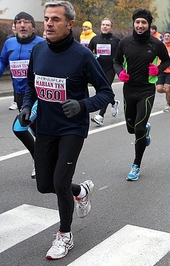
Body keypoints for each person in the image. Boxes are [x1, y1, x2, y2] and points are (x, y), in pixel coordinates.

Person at [18, 1, 114, 260]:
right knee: (44, 185)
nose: (48, 23)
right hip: (45, 127)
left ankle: (65, 235)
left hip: (72, 128)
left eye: (55, 19)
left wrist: (83, 104)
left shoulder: (82, 56)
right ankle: (80, 191)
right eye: (46, 18)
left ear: (69, 24)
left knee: (59, 182)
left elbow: (107, 92)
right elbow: (30, 84)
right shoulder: (38, 50)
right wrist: (27, 105)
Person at [113, 8, 170, 181]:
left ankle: (136, 165)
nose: (140, 25)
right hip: (129, 89)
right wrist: (120, 73)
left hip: (146, 90)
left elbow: (166, 60)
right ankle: (145, 129)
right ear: (134, 23)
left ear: (149, 25)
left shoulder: (156, 44)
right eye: (137, 22)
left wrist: (158, 69)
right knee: (131, 128)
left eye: (143, 22)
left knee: (138, 129)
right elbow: (116, 61)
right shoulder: (125, 42)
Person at [0, 12, 44, 111]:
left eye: (26, 22)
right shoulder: (9, 43)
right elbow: (2, 61)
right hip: (18, 93)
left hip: (36, 93)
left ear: (33, 27)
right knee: (24, 123)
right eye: (19, 22)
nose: (22, 25)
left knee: (37, 125)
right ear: (15, 27)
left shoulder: (42, 43)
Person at [88, 17, 121, 126]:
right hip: (98, 69)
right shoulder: (95, 39)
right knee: (101, 90)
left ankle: (100, 116)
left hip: (110, 69)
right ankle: (113, 102)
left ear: (111, 28)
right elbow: (88, 53)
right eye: (103, 25)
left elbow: (121, 54)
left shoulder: (116, 40)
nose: (105, 27)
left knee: (104, 90)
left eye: (107, 25)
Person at [6, 23, 18, 110]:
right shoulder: (9, 39)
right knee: (15, 83)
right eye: (13, 26)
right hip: (14, 67)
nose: (14, 28)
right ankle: (15, 100)